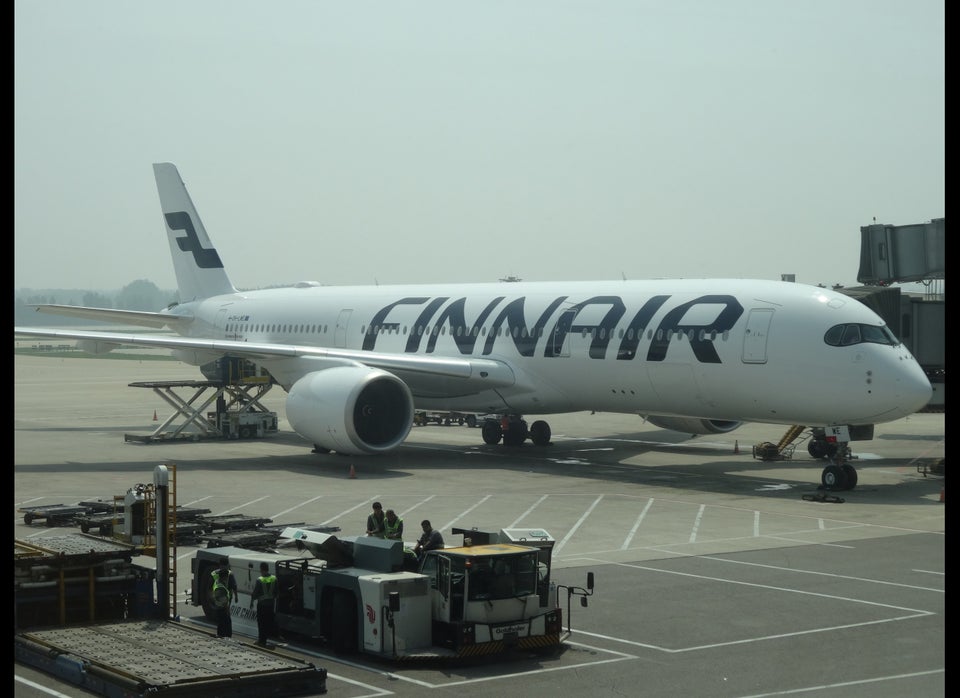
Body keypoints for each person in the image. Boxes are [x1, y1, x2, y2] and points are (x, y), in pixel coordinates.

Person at [249, 562, 278, 647]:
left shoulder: (260, 580)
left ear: (261, 569)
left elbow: (255, 594)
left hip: (262, 605)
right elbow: (276, 593)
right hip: (271, 605)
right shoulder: (274, 578)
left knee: (261, 623)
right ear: (268, 569)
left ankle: (261, 641)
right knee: (268, 622)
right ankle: (265, 639)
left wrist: (252, 602)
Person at [210, 557, 238, 638]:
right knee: (224, 616)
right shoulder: (228, 574)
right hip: (223, 598)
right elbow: (234, 586)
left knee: (222, 616)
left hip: (221, 598)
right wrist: (236, 596)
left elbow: (234, 586)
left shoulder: (215, 573)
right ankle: (225, 634)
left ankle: (222, 634)